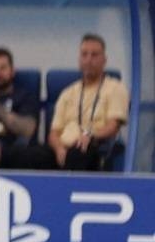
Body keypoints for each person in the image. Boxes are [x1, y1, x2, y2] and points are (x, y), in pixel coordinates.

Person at [48, 33, 129, 172]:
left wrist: (90, 135)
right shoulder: (68, 93)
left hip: (94, 145)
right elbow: (54, 133)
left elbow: (113, 126)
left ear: (104, 60)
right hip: (65, 145)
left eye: (94, 55)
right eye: (84, 54)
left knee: (79, 152)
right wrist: (58, 149)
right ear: (79, 59)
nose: (88, 60)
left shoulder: (116, 88)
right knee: (32, 156)